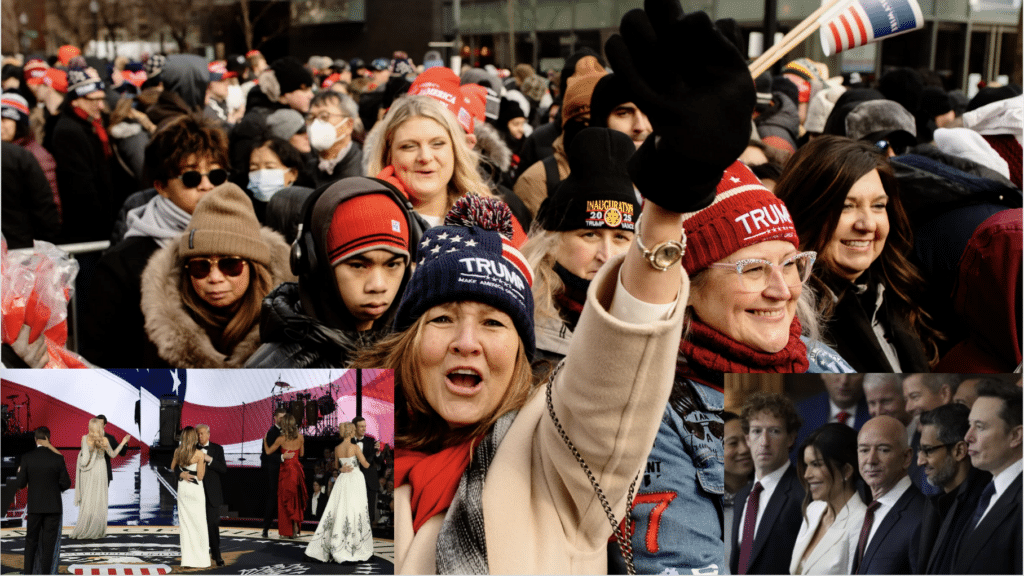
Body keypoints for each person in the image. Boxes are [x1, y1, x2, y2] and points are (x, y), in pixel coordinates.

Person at [367, 1, 756, 571]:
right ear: (405, 342)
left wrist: (668, 206)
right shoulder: (357, 450)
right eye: (443, 318)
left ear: (525, 352)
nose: (466, 342)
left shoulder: (557, 448)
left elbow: (616, 365)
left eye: (495, 322)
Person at [774, 136, 939, 372]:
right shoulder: (784, 317)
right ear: (805, 211)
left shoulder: (896, 293)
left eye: (878, 206)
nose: (867, 224)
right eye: (846, 206)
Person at [81, 113, 231, 368]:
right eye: (191, 177)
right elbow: (100, 355)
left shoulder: (248, 242)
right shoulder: (121, 264)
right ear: (161, 186)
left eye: (216, 175)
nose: (206, 185)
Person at [246, 176, 423, 368]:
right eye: (358, 265)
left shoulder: (420, 348)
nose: (378, 285)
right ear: (316, 263)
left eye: (392, 265)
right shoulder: (275, 371)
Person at [139, 182, 293, 367]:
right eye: (200, 267)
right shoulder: (159, 334)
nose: (215, 278)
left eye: (230, 265)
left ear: (253, 268)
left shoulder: (293, 326)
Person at [522, 127, 640, 362]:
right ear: (553, 241)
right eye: (590, 235)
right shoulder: (518, 316)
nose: (606, 256)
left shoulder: (654, 316)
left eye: (620, 237)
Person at [364, 94, 493, 227]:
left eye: (437, 143)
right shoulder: (362, 218)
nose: (425, 157)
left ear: (455, 151)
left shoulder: (488, 217)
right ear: (387, 155)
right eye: (409, 146)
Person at [952, 381, 1022, 574]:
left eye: (980, 427)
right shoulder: (988, 492)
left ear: (1016, 435)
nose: (967, 437)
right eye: (969, 425)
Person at [731, 393, 805, 575]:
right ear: (747, 438)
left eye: (774, 431)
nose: (764, 442)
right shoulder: (742, 496)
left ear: (791, 438)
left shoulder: (804, 492)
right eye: (757, 431)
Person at [913, 403, 991, 574]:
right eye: (920, 451)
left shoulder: (984, 507)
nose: (920, 461)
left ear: (959, 451)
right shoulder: (934, 505)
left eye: (928, 451)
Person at [790, 424, 867, 574]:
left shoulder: (861, 522)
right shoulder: (813, 510)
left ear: (846, 470)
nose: (807, 475)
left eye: (816, 465)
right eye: (806, 465)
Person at [853, 416, 924, 574]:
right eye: (864, 450)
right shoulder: (870, 510)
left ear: (906, 457)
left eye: (883, 450)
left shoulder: (921, 516)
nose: (871, 460)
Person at [51, 67, 115, 243]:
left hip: (101, 225)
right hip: (87, 230)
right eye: (93, 100)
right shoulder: (68, 132)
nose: (101, 106)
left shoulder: (92, 125)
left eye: (101, 99)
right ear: (75, 101)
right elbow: (80, 187)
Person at [305, 422, 373, 563]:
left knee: (340, 509)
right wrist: (374, 455)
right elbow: (365, 464)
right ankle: (354, 546)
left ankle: (336, 543)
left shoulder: (337, 448)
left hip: (343, 479)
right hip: (355, 479)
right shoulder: (354, 447)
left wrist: (342, 469)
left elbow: (336, 467)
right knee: (355, 509)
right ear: (351, 432)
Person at [15, 427, 71, 575]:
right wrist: (53, 487)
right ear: (48, 438)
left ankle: (28, 573)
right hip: (53, 509)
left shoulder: (27, 458)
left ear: (35, 439)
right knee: (48, 546)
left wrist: (20, 472)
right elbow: (66, 484)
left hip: (34, 508)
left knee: (30, 542)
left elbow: (20, 484)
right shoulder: (57, 459)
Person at [70, 418, 131, 539]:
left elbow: (84, 460)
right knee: (99, 500)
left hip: (90, 472)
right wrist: (123, 442)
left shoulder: (84, 439)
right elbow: (113, 454)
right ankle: (97, 530)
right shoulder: (104, 440)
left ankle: (85, 527)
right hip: (101, 469)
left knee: (88, 499)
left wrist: (80, 457)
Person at [306, 90, 363, 187]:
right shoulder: (307, 167)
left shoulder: (365, 167)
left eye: (324, 116)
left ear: (348, 125)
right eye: (311, 117)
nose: (315, 123)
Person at [172, 426, 210, 568]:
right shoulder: (200, 454)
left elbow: (172, 467)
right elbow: (200, 476)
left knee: (186, 525)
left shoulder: (178, 451)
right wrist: (204, 462)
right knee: (199, 524)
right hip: (195, 490)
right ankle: (201, 560)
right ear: (194, 438)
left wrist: (182, 473)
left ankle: (188, 560)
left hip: (183, 489)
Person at [265, 413, 307, 538]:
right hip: (297, 471)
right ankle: (295, 527)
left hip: (286, 473)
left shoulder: (281, 439)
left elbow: (268, 452)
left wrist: (264, 441)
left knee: (285, 501)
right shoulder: (300, 437)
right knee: (295, 500)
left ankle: (287, 530)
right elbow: (302, 454)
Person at [724, 411, 753, 569]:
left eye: (747, 440)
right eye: (733, 443)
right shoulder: (704, 503)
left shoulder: (770, 493)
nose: (744, 449)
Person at [196, 424, 226, 567]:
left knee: (212, 524)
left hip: (212, 493)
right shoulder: (192, 448)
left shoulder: (218, 449)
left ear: (208, 434)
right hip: (196, 492)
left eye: (202, 434)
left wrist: (210, 460)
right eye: (198, 434)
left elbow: (223, 469)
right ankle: (204, 553)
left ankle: (217, 554)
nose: (200, 436)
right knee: (200, 525)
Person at [352, 416, 382, 525]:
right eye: (361, 426)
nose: (364, 429)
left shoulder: (371, 441)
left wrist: (378, 453)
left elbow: (378, 461)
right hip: (353, 481)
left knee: (368, 512)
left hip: (369, 481)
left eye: (365, 426)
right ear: (354, 428)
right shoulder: (348, 441)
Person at [261, 408, 285, 538]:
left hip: (285, 469)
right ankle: (266, 526)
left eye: (284, 417)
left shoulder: (286, 432)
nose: (282, 420)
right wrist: (282, 457)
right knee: (273, 496)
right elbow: (267, 455)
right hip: (274, 470)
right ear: (275, 418)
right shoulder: (271, 432)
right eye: (280, 417)